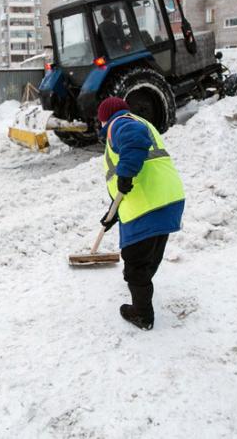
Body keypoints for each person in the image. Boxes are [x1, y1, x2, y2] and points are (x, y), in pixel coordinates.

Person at [97, 96, 185, 330]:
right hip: (167, 200)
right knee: (148, 258)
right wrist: (113, 214)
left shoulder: (121, 123)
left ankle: (142, 315)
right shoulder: (140, 121)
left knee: (135, 265)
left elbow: (134, 141)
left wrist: (125, 174)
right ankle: (143, 290)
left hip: (147, 206)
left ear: (104, 118)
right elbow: (127, 178)